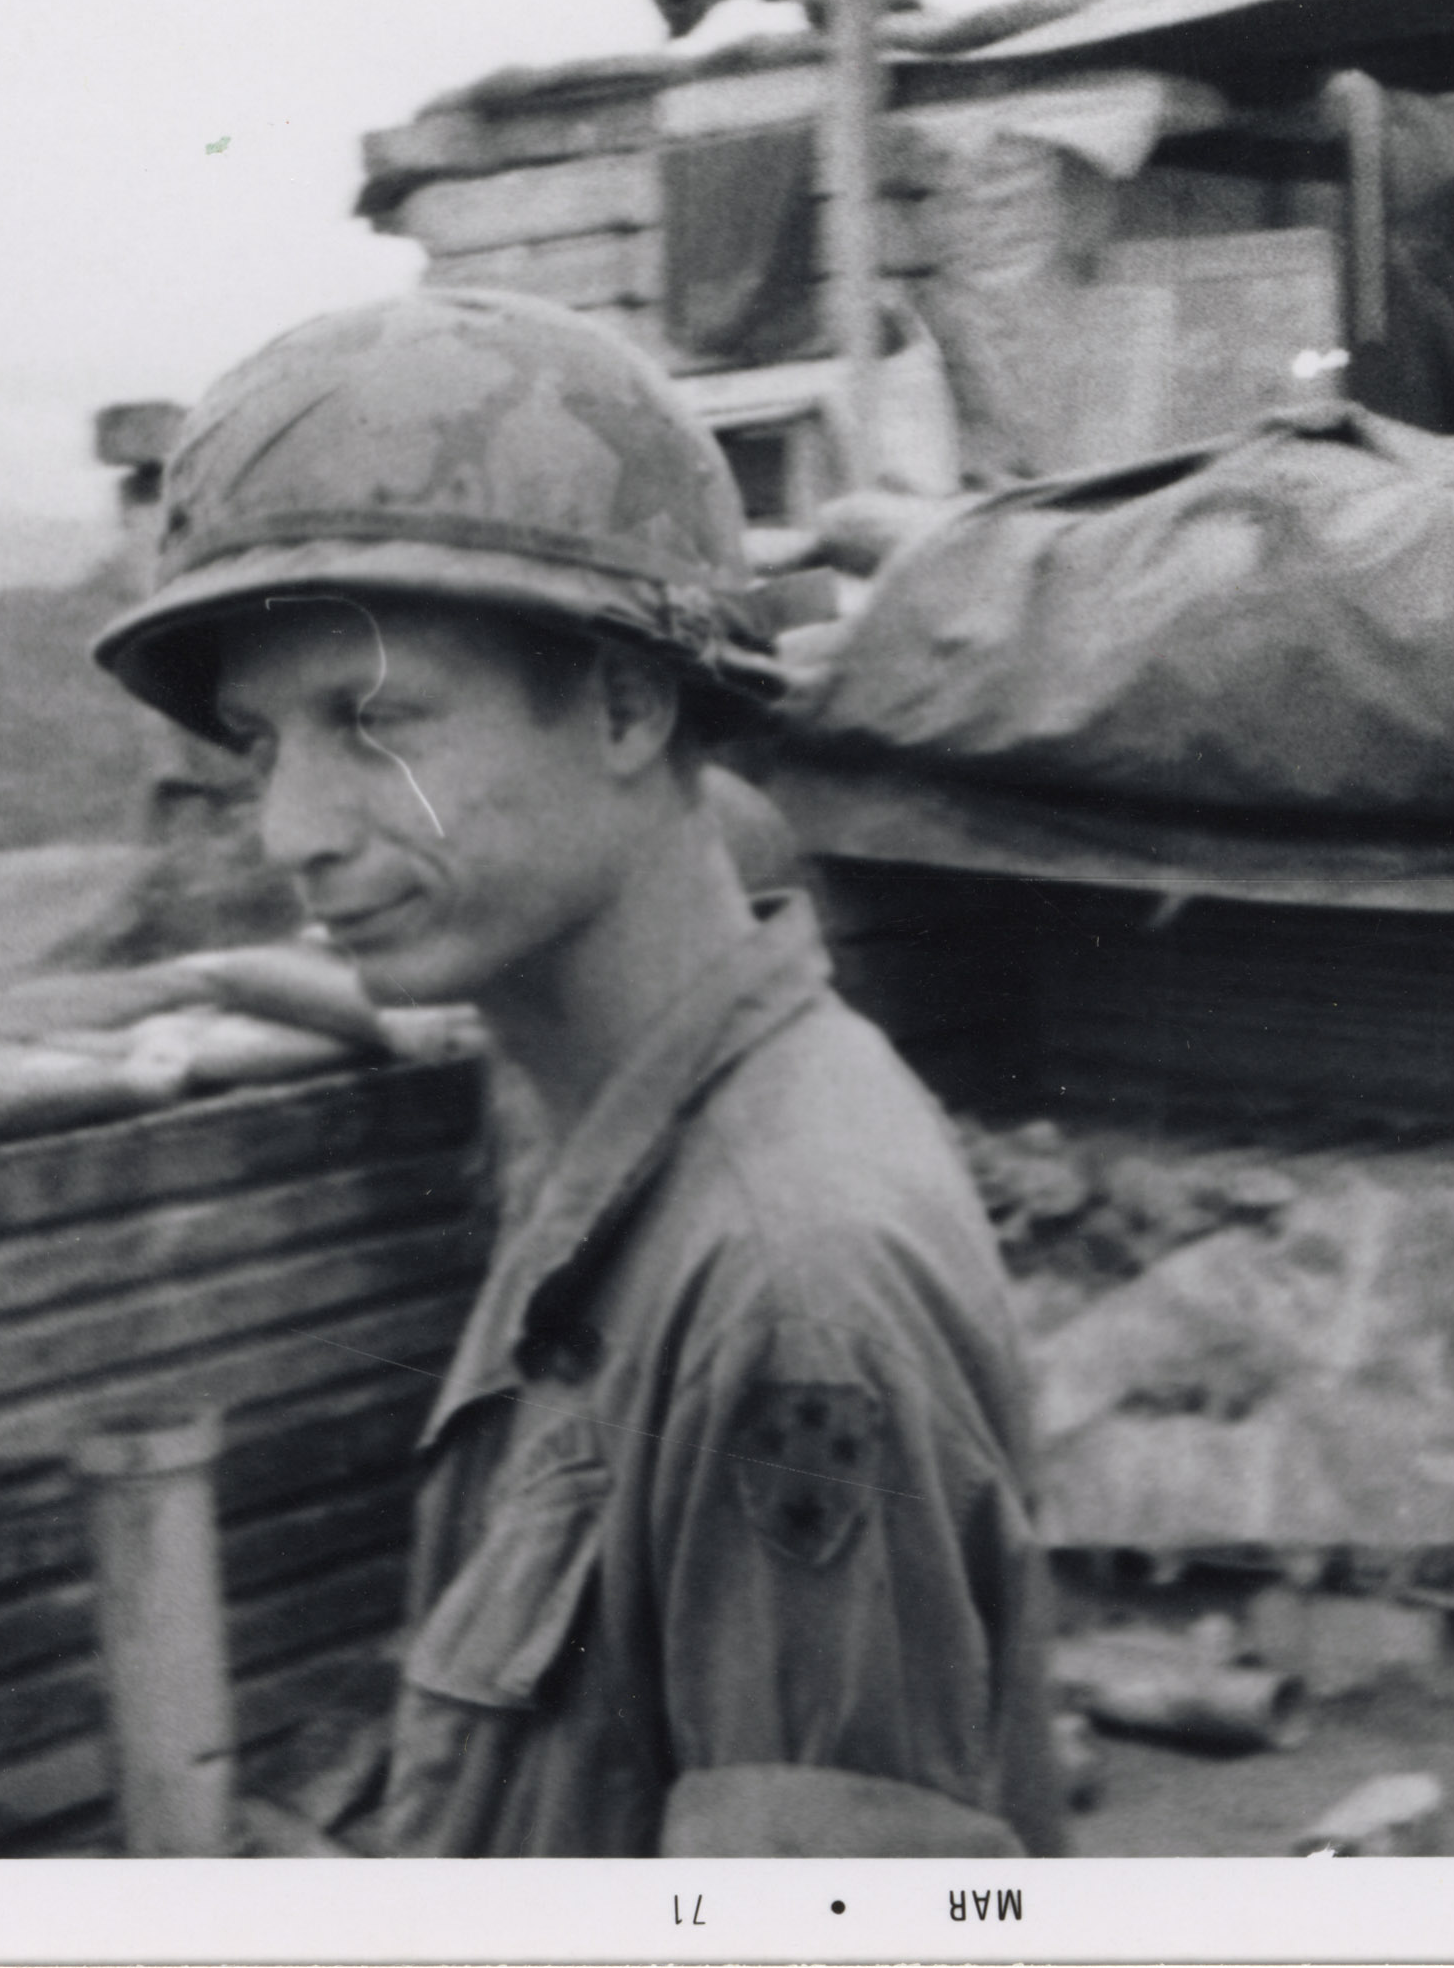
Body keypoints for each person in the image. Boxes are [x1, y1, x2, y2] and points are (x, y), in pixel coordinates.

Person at [91, 289, 1065, 1859]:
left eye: (374, 722)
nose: (293, 832)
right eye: (264, 746)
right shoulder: (625, 1138)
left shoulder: (785, 1280)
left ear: (624, 700)